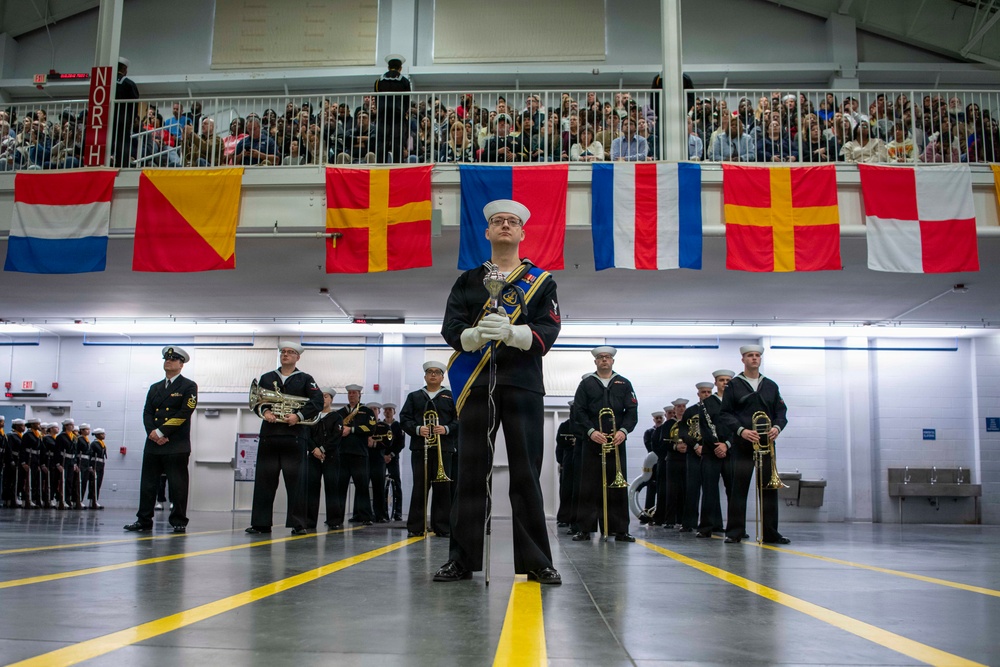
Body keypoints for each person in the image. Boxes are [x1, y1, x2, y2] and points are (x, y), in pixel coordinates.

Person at [434, 199, 561, 585]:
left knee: (527, 473)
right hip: (477, 384)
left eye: (512, 222)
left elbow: (549, 329)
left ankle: (537, 561)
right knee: (470, 472)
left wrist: (515, 333)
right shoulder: (469, 280)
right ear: (487, 232)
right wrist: (471, 336)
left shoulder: (542, 280)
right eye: (497, 222)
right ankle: (461, 559)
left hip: (522, 382)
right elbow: (450, 325)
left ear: (522, 232)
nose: (505, 226)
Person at [246, 341, 323, 535]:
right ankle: (260, 523)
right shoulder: (267, 377)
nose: (285, 355)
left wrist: (298, 416)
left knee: (296, 483)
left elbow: (317, 401)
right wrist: (265, 412)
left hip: (295, 436)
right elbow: (260, 402)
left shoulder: (306, 379)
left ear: (298, 357)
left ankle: (298, 524)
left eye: (290, 352)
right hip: (269, 436)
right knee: (264, 481)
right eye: (283, 352)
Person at [718, 345, 789, 545]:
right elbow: (725, 414)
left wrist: (777, 427)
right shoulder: (734, 385)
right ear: (743, 360)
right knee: (738, 488)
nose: (754, 359)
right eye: (750, 356)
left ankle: (770, 533)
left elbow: (781, 413)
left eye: (757, 356)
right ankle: (734, 532)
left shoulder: (771, 385)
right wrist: (741, 430)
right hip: (743, 443)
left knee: (769, 488)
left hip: (767, 444)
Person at [124, 347, 198, 533]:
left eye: (173, 359)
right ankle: (143, 520)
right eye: (167, 358)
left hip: (176, 443)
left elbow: (184, 413)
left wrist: (162, 432)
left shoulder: (188, 386)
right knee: (148, 484)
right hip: (153, 443)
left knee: (177, 485)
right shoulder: (155, 387)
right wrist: (153, 433)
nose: (168, 361)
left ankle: (178, 520)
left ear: (181, 365)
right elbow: (148, 412)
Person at [571, 346, 638, 542]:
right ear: (595, 362)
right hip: (592, 441)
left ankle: (620, 530)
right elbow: (579, 412)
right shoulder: (586, 384)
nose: (604, 360)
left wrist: (623, 431)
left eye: (607, 357)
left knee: (617, 486)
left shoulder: (624, 383)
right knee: (588, 485)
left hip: (616, 441)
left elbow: (632, 411)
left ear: (612, 361)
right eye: (600, 358)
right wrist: (591, 431)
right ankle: (585, 529)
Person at [401, 360, 458, 538]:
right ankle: (416, 527)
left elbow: (460, 419)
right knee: (420, 487)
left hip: (444, 448)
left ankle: (443, 527)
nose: (433, 375)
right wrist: (418, 429)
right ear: (425, 376)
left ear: (442, 376)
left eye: (437, 372)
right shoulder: (414, 396)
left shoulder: (451, 396)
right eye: (430, 372)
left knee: (443, 488)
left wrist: (446, 428)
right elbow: (404, 419)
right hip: (420, 448)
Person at [694, 369, 735, 537]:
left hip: (731, 451)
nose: (725, 382)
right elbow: (704, 427)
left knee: (734, 491)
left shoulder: (737, 402)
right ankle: (706, 528)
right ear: (716, 382)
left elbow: (740, 426)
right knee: (709, 491)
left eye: (727, 380)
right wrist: (717, 446)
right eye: (721, 380)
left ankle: (736, 528)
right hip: (711, 452)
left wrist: (727, 444)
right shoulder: (706, 403)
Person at [335, 384, 377, 526]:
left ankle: (366, 516)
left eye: (354, 393)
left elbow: (370, 428)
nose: (351, 395)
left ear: (360, 395)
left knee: (362, 487)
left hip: (359, 454)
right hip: (343, 453)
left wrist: (351, 430)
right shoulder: (341, 412)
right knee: (340, 487)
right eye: (350, 393)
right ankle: (336, 518)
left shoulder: (366, 412)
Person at [305, 387, 343, 531]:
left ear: (331, 399)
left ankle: (334, 520)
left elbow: (336, 437)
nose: (324, 399)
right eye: (321, 396)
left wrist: (322, 449)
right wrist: (314, 449)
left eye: (326, 396)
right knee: (312, 488)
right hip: (313, 457)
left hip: (330, 457)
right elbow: (307, 434)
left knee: (332, 488)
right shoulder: (312, 416)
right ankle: (309, 521)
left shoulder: (336, 417)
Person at [678, 383, 714, 532]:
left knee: (711, 490)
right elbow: (683, 431)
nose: (706, 394)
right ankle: (689, 523)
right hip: (693, 453)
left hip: (711, 452)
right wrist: (695, 446)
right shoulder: (691, 411)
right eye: (703, 392)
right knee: (692, 488)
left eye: (708, 392)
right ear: (698, 394)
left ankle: (714, 523)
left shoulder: (717, 409)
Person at [374, 54, 411, 163]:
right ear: (400, 68)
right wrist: (404, 112)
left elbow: (376, 99)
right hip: (398, 115)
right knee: (397, 141)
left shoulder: (378, 81)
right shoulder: (404, 81)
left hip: (382, 115)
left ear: (388, 67)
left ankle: (380, 164)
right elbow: (406, 100)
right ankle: (397, 164)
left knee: (381, 141)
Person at [113, 57, 140, 168]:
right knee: (123, 143)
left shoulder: (108, 83)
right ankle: (122, 165)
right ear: (124, 69)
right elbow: (134, 103)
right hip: (124, 119)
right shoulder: (129, 84)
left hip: (110, 118)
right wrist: (133, 118)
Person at [640, 411, 665, 522]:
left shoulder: (665, 430)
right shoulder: (649, 432)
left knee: (662, 490)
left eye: (660, 418)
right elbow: (650, 447)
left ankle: (661, 514)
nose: (659, 419)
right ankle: (647, 514)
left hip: (662, 463)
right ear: (654, 419)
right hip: (652, 464)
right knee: (651, 489)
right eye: (657, 418)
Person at [381, 403, 405, 521]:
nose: (388, 412)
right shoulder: (380, 426)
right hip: (381, 458)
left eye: (390, 410)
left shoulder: (398, 426)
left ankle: (398, 512)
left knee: (396, 484)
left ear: (394, 412)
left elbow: (401, 444)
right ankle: (381, 512)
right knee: (379, 483)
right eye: (386, 410)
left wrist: (391, 455)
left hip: (393, 458)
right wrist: (383, 455)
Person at [89, 427, 107, 509]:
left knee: (98, 482)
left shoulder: (102, 443)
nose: (104, 435)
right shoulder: (94, 444)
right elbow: (90, 455)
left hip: (101, 464)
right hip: (95, 463)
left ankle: (95, 499)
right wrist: (90, 466)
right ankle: (92, 500)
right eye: (102, 434)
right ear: (97, 435)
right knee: (93, 482)